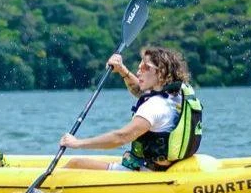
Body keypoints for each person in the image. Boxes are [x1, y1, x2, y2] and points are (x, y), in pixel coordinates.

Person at [59, 46, 202, 171]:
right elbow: (140, 90)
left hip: (144, 172)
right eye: (139, 67)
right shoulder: (175, 96)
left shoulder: (154, 106)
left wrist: (77, 143)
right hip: (160, 167)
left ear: (161, 72)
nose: (139, 72)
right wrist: (121, 69)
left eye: (145, 67)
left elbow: (120, 137)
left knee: (75, 163)